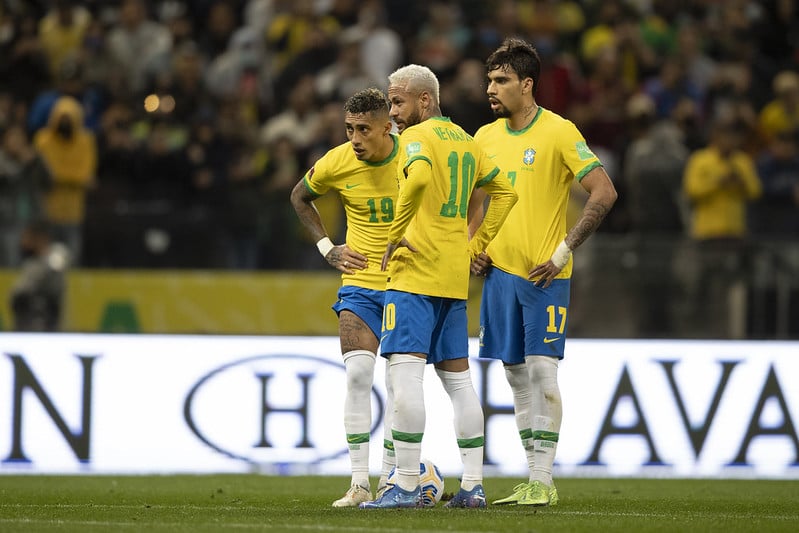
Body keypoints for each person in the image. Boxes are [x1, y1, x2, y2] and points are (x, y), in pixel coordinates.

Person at [360, 64, 517, 509]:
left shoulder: (415, 139)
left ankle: (405, 484)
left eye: (397, 102)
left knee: (403, 375)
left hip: (414, 271)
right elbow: (506, 192)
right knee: (460, 384)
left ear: (424, 100)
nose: (391, 113)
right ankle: (473, 486)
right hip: (452, 275)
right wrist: (475, 243)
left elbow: (423, 179)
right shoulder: (467, 141)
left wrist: (394, 233)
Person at [470, 38, 617, 506]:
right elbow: (477, 205)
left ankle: (544, 481)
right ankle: (533, 477)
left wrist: (562, 251)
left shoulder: (558, 130)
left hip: (542, 275)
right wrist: (473, 248)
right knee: (515, 377)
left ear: (527, 84)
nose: (490, 88)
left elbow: (604, 192)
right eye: (489, 80)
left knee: (542, 372)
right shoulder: (484, 137)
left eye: (501, 80)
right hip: (498, 274)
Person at [289, 88, 399, 507]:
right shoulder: (337, 161)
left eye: (363, 129)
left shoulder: (413, 156)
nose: (354, 138)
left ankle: (394, 477)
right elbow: (299, 196)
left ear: (386, 127)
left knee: (399, 385)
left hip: (407, 284)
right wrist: (327, 247)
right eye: (349, 128)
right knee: (357, 377)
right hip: (359, 284)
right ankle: (358, 483)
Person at [10, 219, 70, 332]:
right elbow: (19, 292)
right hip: (26, 322)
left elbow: (54, 272)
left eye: (27, 236)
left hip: (49, 323)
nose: (23, 241)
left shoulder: (56, 254)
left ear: (39, 238)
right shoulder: (30, 263)